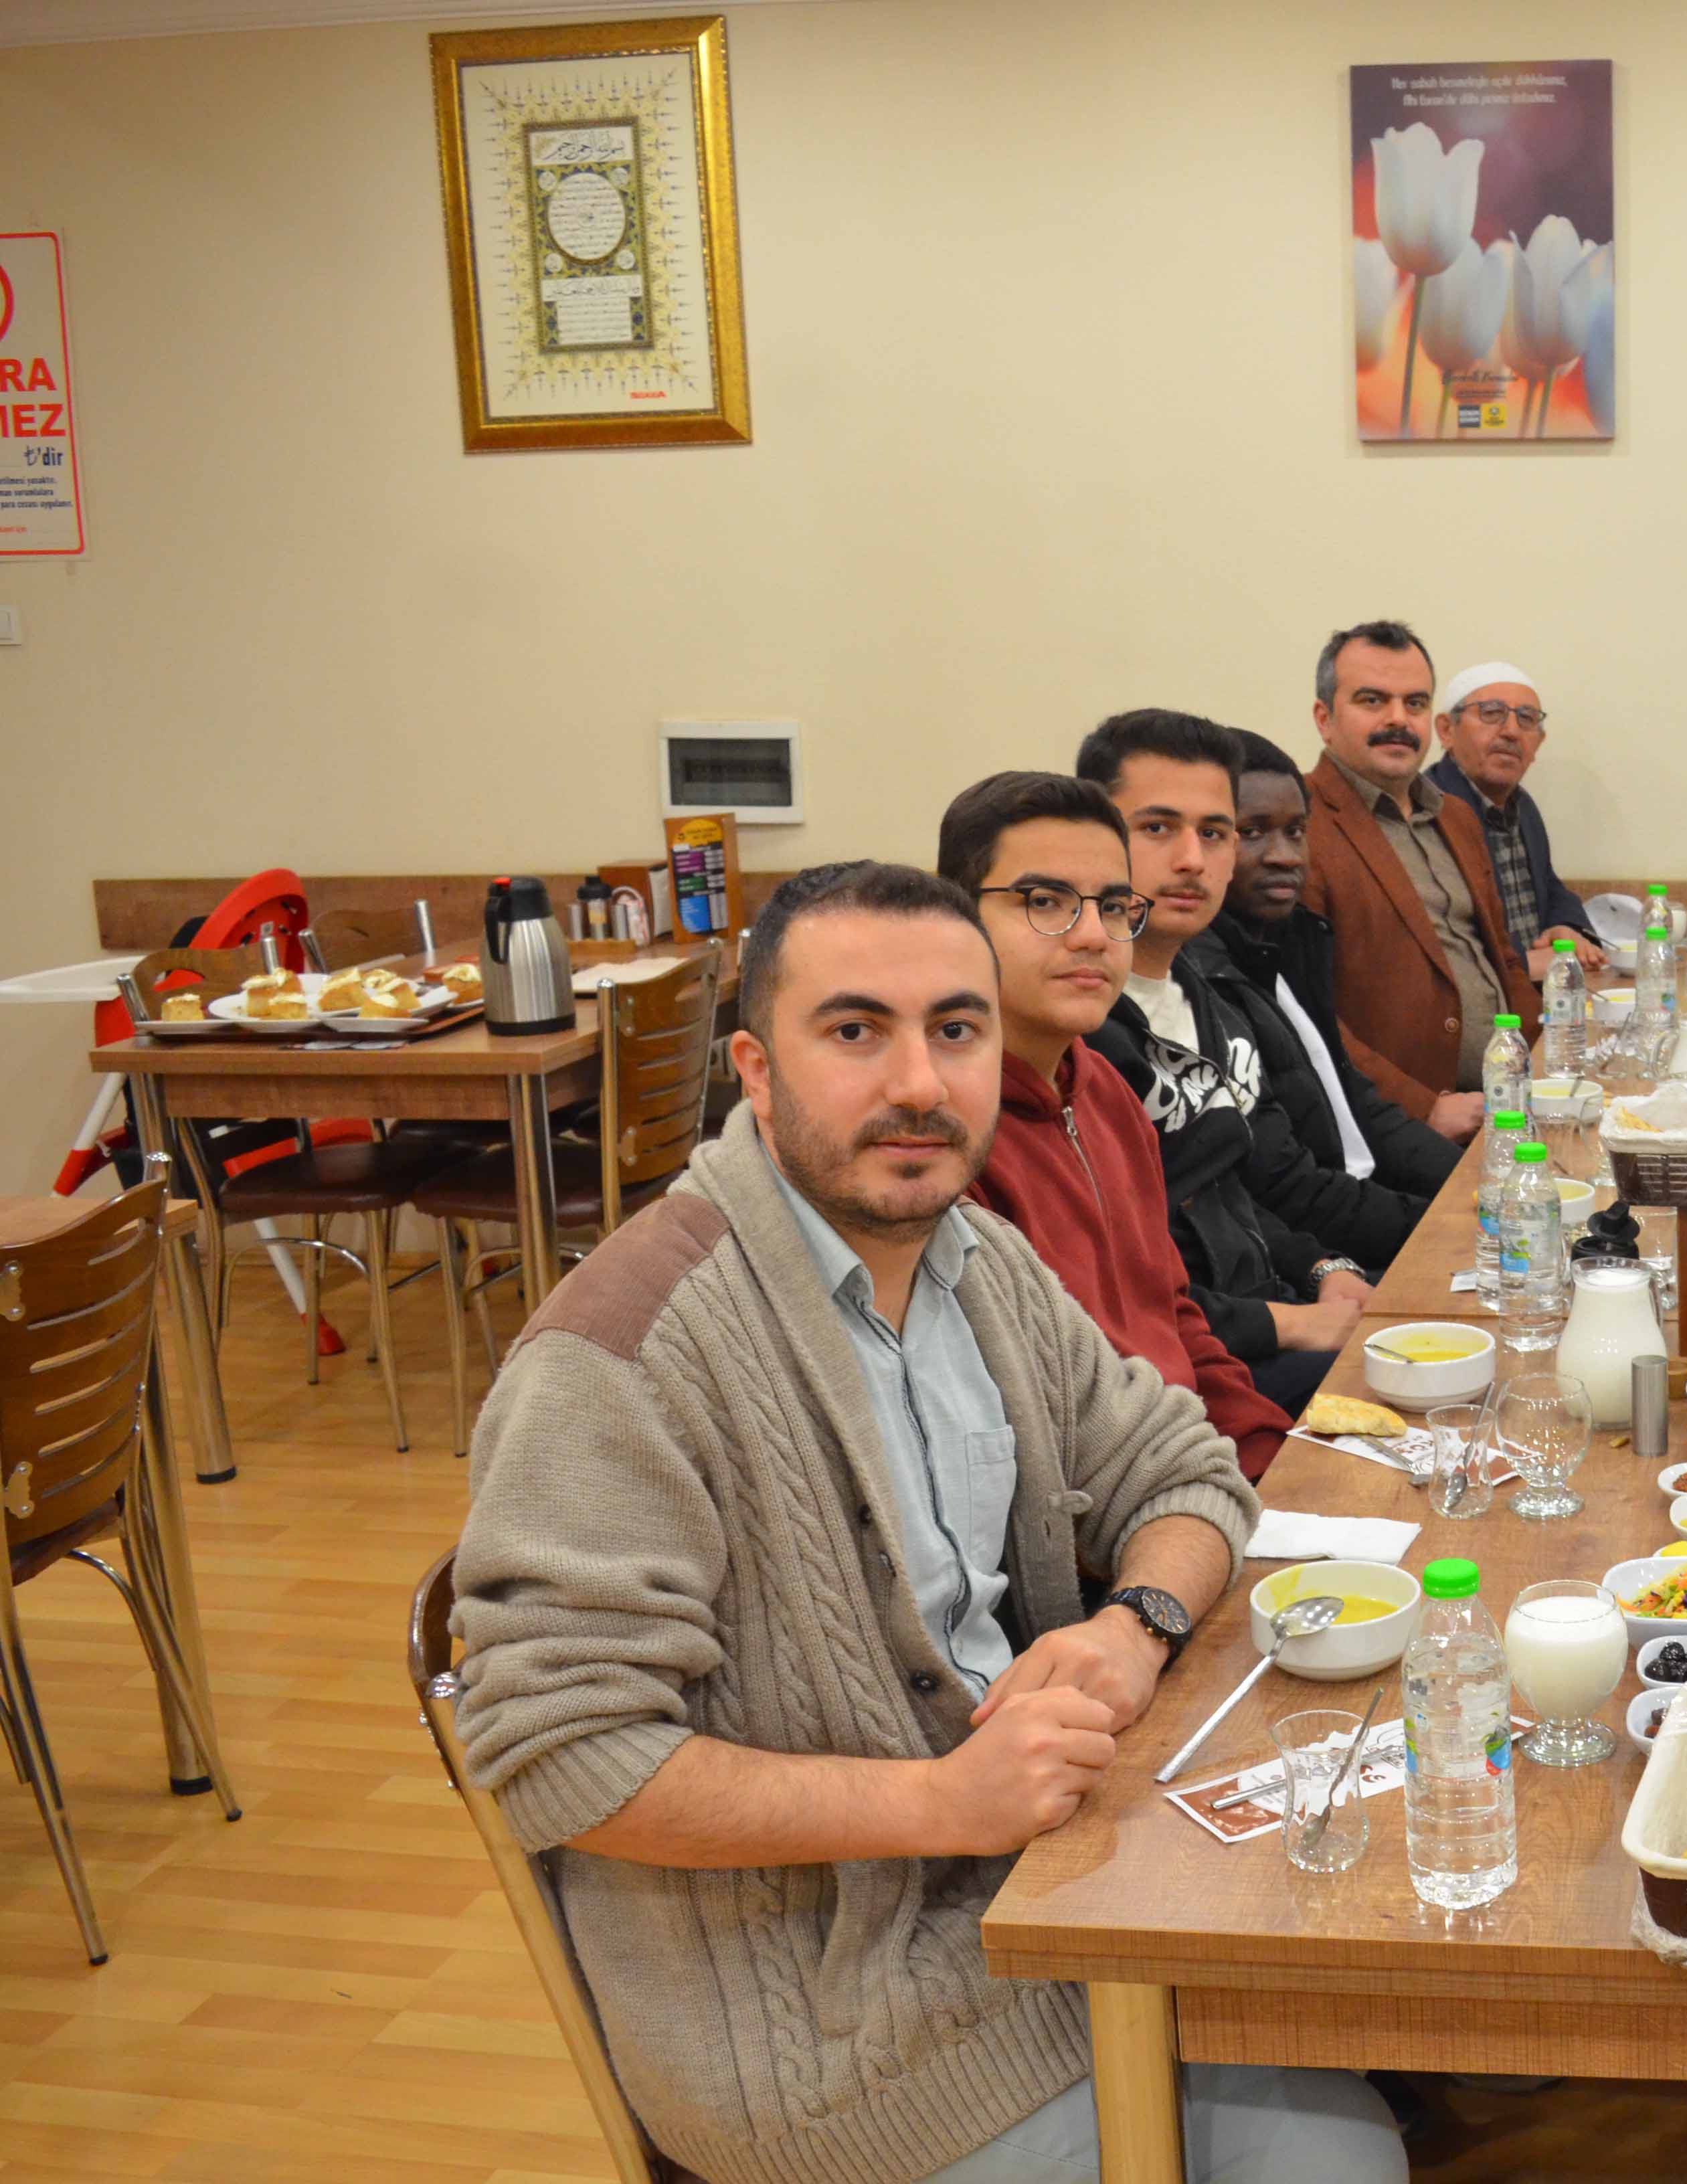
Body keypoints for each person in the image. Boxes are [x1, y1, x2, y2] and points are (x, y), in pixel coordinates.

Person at [450, 860, 1407, 2184]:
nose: (917, 1082)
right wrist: (941, 1801)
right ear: (755, 1069)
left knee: (1382, 2045)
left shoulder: (976, 1259)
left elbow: (1187, 1475)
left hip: (1060, 1892)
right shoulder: (622, 1356)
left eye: (954, 1029)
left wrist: (1134, 1626)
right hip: (837, 2037)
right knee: (1338, 2156)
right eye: (855, 1030)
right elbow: (564, 1757)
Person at [936, 769, 1296, 1481]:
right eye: (1045, 902)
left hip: (1195, 1467)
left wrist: (1274, 1463)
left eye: (1111, 906)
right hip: (1106, 1508)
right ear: (956, 919)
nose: (1093, 937)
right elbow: (1031, 1422)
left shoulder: (1104, 1087)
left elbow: (1173, 1319)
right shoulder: (940, 1132)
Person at [1075, 709, 1372, 1411]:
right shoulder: (1078, 1027)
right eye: (1157, 828)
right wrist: (1289, 1323)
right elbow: (1107, 1284)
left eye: (1213, 833)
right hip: (1177, 1377)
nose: (1191, 860)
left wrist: (1321, 1265)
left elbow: (1230, 1193)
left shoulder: (1209, 998)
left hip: (1264, 1314)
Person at [1192, 730, 1461, 1252]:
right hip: (1320, 1249)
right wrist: (1444, 1226)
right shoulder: (1203, 978)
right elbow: (1288, 1190)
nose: (1285, 856)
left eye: (1296, 831)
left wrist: (1476, 1186)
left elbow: (1358, 1103)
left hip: (1365, 1206)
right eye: (1252, 832)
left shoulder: (1289, 940)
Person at [1300, 618, 1540, 1133]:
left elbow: (1502, 958)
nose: (1398, 719)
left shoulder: (1456, 816)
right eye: (1371, 700)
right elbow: (1301, 1011)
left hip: (1509, 1104)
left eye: (1415, 703)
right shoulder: (1299, 825)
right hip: (1400, 1130)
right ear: (1325, 719)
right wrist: (1421, 1107)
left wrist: (1547, 1060)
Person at [1424, 658, 1595, 978]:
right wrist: (1524, 964)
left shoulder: (1522, 806)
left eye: (1527, 719)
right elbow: (1435, 933)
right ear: (1447, 730)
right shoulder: (1424, 811)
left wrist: (1565, 926)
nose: (1512, 731)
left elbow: (1548, 886)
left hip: (1533, 994)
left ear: (1538, 743)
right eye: (1491, 713)